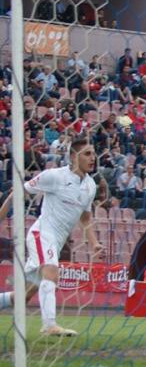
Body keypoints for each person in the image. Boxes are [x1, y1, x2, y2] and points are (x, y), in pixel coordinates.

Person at [0, 138, 101, 336]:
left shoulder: (90, 186)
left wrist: (94, 243)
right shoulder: (54, 176)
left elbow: (86, 217)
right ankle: (49, 325)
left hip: (57, 241)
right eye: (88, 154)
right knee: (52, 273)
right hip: (42, 233)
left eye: (93, 154)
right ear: (73, 156)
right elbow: (18, 192)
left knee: (22, 296)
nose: (93, 158)